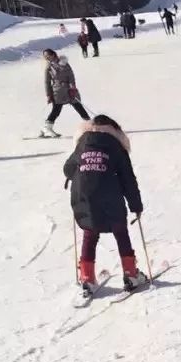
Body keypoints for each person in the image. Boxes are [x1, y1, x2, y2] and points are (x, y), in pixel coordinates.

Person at [64, 115, 147, 295]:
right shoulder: (116, 146)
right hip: (111, 197)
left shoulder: (82, 143)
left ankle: (87, 277)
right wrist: (136, 205)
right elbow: (128, 179)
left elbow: (68, 168)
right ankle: (131, 274)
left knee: (90, 232)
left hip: (84, 197)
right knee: (120, 232)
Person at [40, 50, 89, 137]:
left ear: (53, 54)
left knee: (78, 106)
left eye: (48, 55)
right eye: (45, 56)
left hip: (69, 89)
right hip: (57, 91)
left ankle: (90, 125)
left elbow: (71, 76)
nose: (47, 58)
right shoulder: (48, 67)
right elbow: (47, 82)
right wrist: (48, 95)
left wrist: (72, 88)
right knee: (56, 110)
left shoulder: (64, 63)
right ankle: (47, 128)